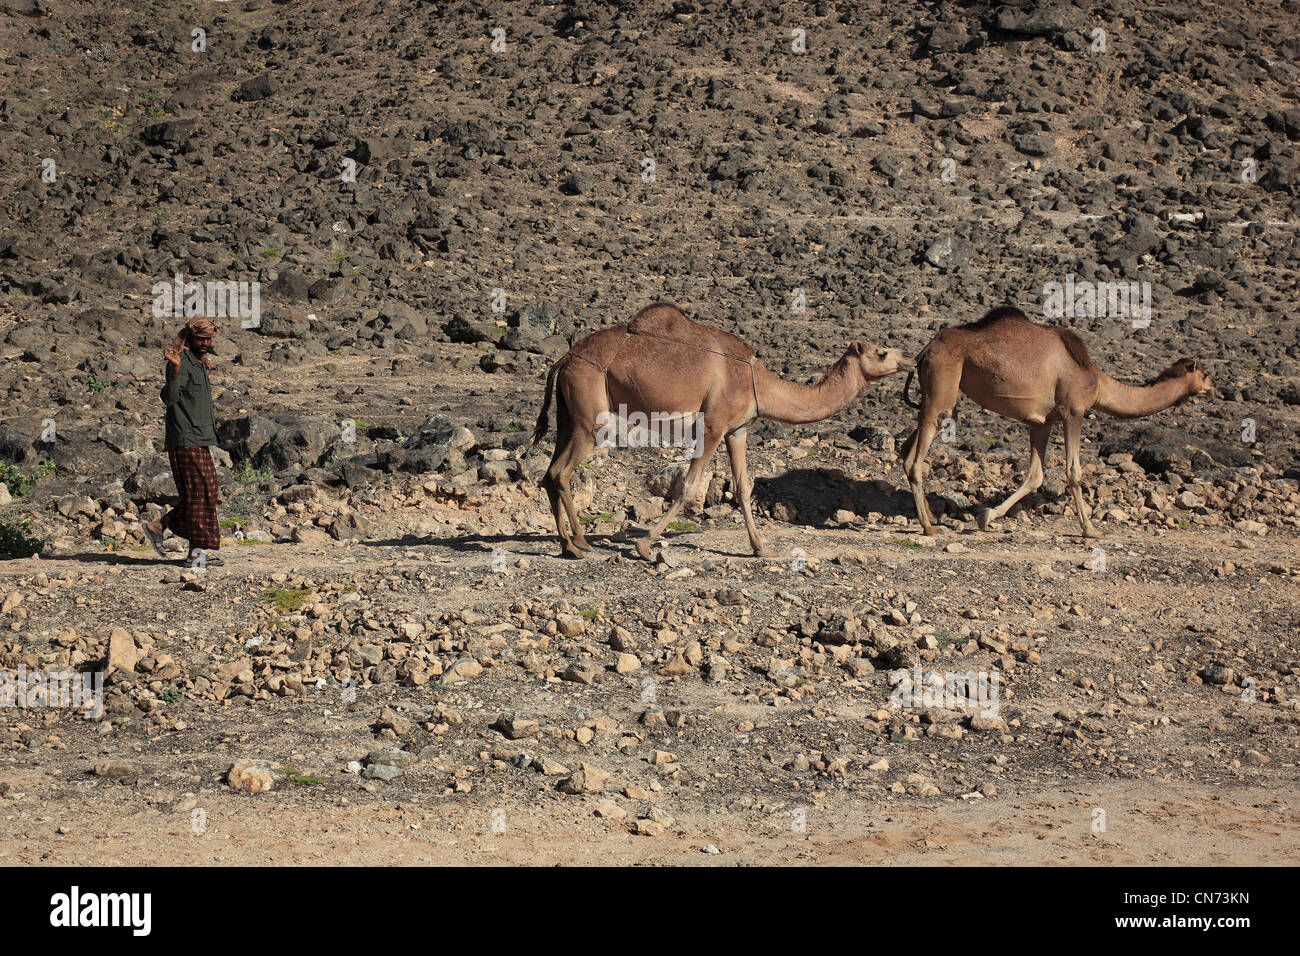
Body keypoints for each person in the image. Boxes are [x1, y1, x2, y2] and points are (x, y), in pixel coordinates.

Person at [142, 317, 224, 567]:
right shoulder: (180, 361)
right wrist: (175, 370)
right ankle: (195, 556)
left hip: (199, 437)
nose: (206, 343)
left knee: (203, 493)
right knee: (200, 495)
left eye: (209, 339)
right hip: (185, 437)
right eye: (201, 339)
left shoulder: (200, 363)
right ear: (191, 338)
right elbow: (169, 397)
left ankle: (159, 526)